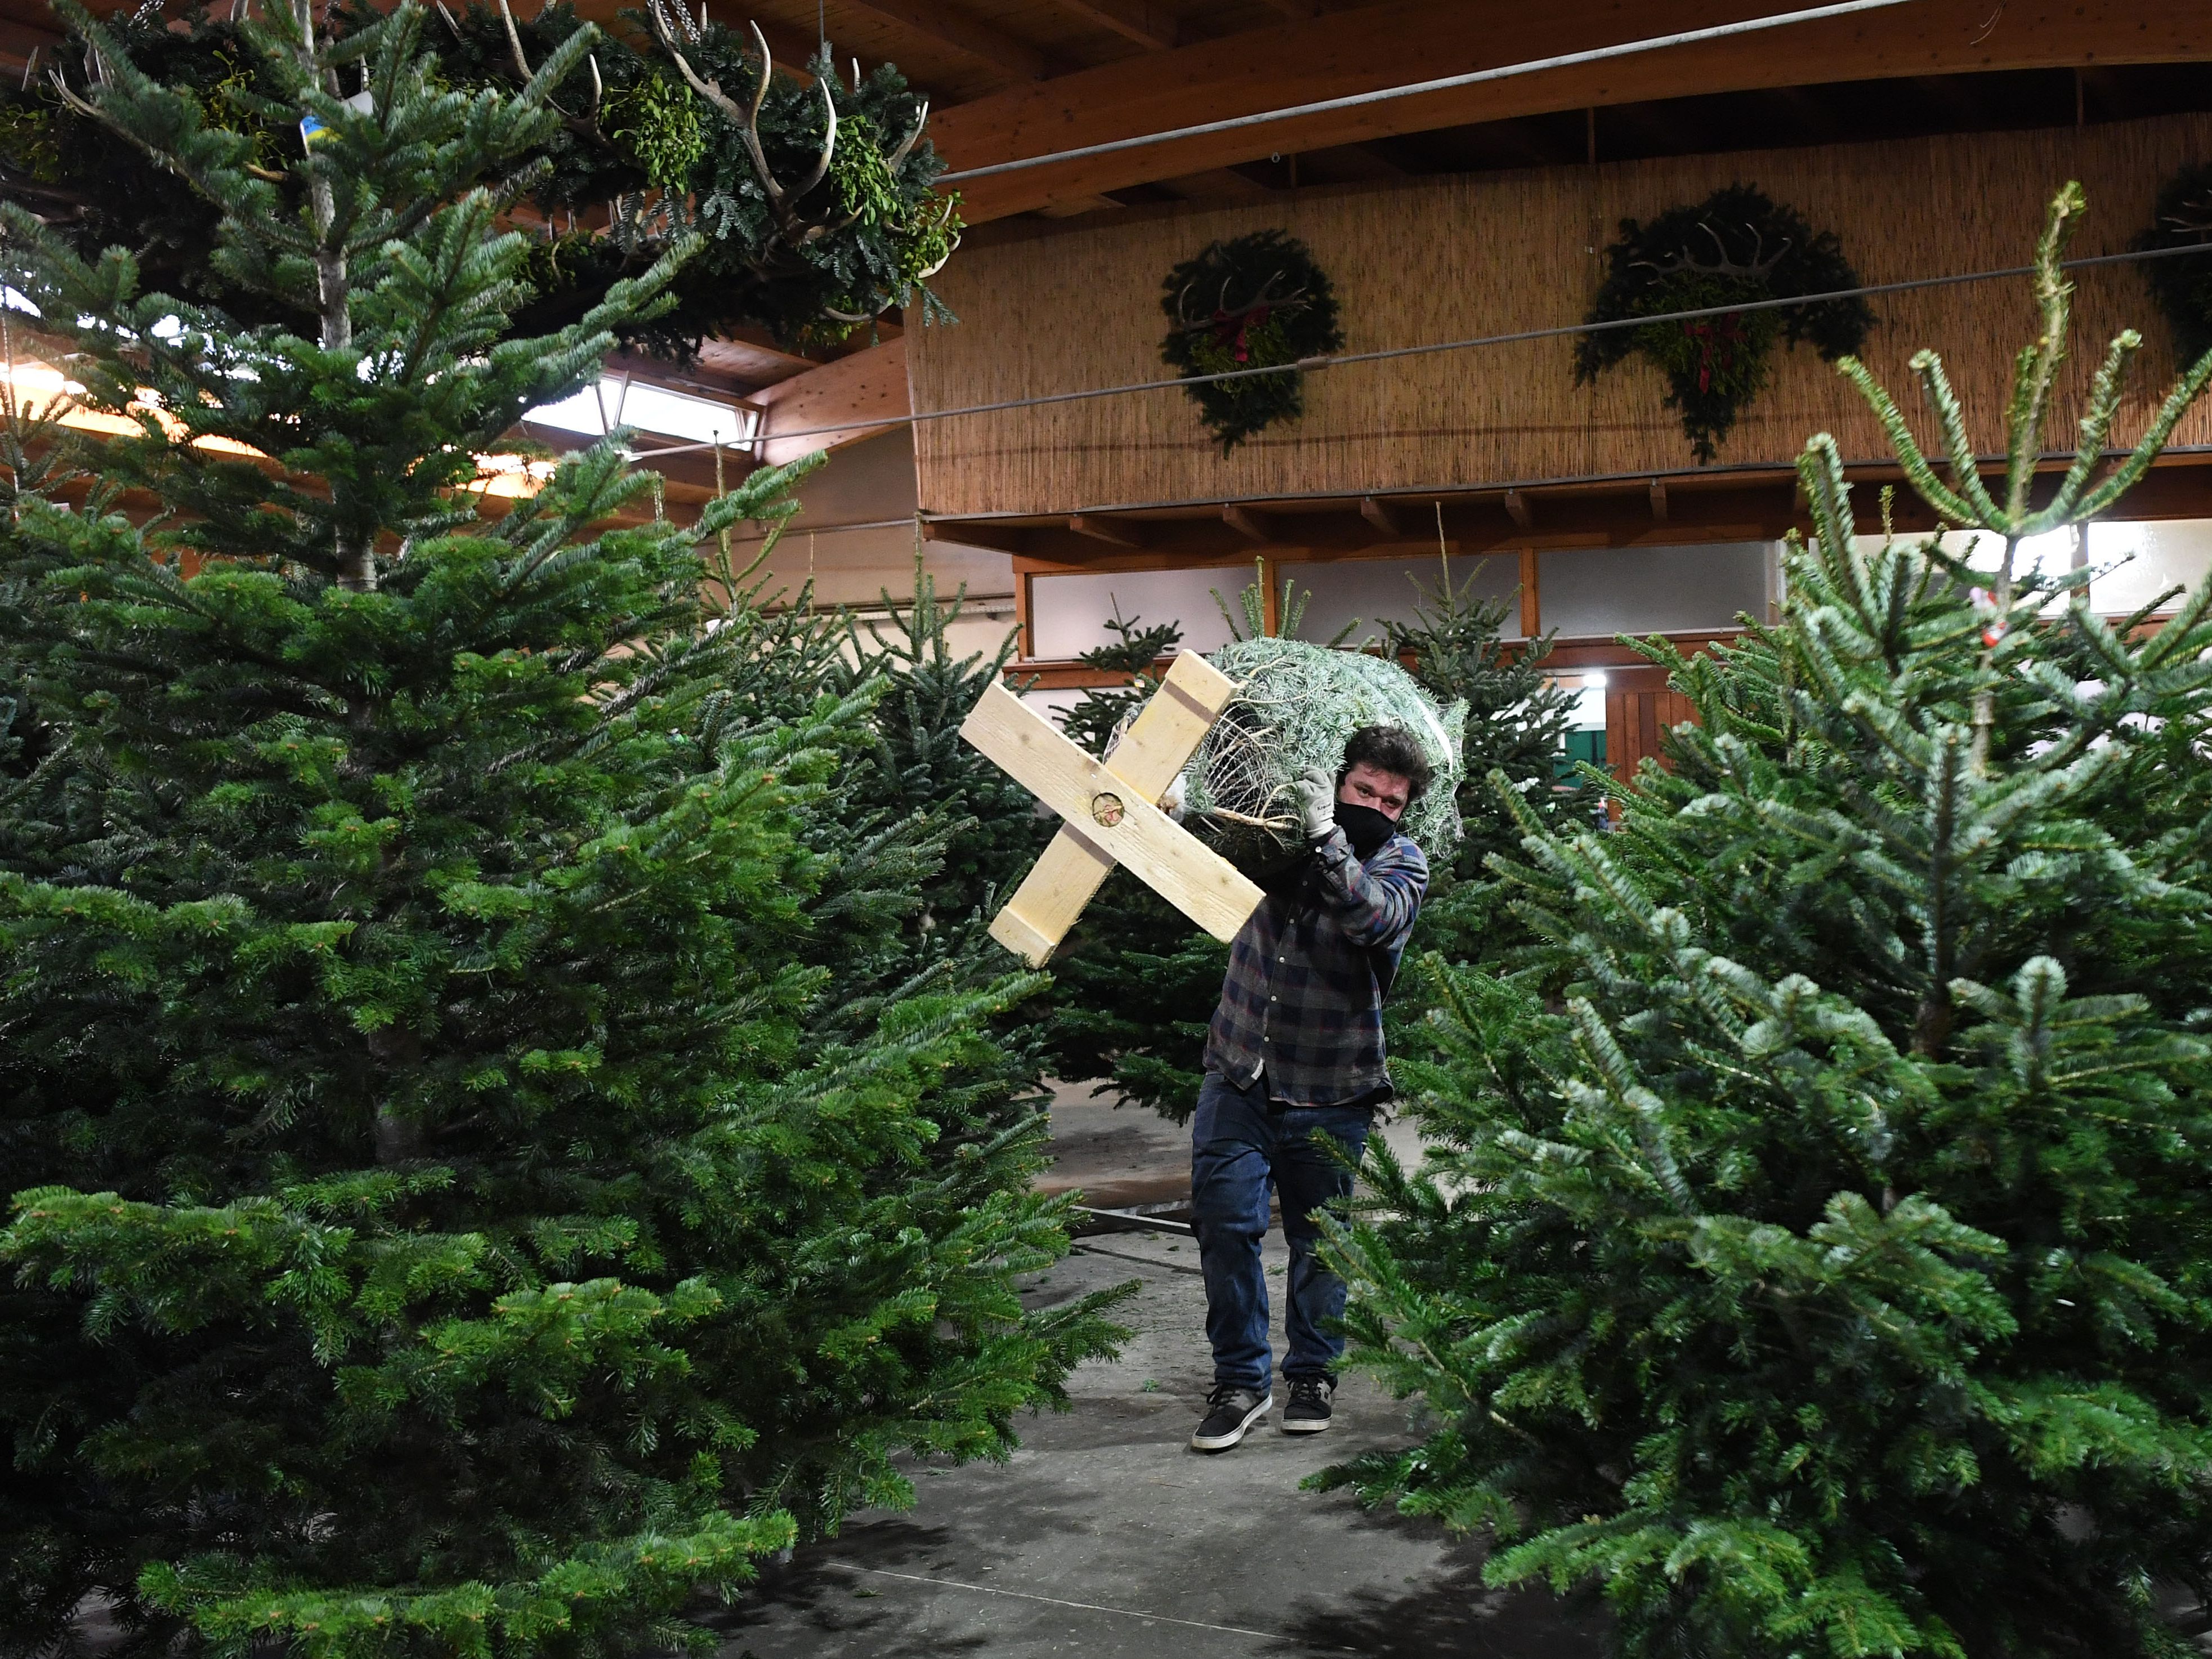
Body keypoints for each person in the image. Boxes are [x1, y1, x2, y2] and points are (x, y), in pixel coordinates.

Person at [1188, 723, 1431, 1452]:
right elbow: (1201, 848)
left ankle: (1312, 1375)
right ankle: (1239, 1381)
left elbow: (1373, 918)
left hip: (1332, 1088)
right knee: (1225, 1226)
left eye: (1391, 801)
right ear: (1335, 779)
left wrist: (1332, 837)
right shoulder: (1276, 837)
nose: (1377, 808)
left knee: (1320, 1242)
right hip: (1239, 1072)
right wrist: (1177, 806)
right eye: (1363, 791)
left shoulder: (1400, 862)